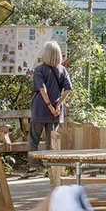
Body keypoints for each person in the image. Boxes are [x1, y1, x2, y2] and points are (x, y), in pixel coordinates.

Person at [24, 41, 72, 178]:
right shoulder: (62, 70)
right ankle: (50, 169)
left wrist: (49, 105)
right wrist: (57, 105)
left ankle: (32, 169)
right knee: (52, 141)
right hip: (55, 112)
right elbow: (68, 89)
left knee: (34, 138)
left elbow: (42, 89)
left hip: (40, 108)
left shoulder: (39, 69)